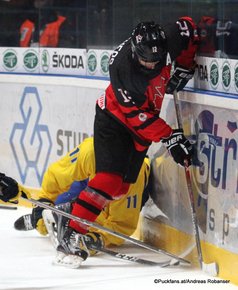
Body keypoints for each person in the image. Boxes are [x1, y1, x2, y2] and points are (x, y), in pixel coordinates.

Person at [55, 17, 199, 265]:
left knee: (121, 190)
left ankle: (72, 210)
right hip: (114, 119)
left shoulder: (169, 37)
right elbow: (137, 118)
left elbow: (189, 27)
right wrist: (170, 137)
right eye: (145, 61)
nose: (151, 65)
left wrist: (185, 65)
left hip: (143, 127)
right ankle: (71, 234)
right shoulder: (122, 67)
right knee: (108, 181)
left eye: (157, 61)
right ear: (134, 51)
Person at [0, 137, 150, 267]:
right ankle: (47, 218)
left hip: (115, 193)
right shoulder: (90, 152)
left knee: (86, 220)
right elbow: (56, 175)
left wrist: (98, 239)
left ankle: (62, 219)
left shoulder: (131, 177)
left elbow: (121, 224)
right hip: (93, 177)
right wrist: (43, 202)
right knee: (62, 204)